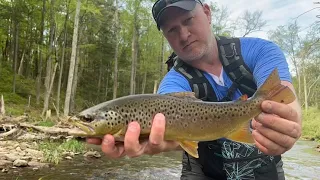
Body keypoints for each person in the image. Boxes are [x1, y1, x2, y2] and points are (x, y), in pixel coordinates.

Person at [87, 0, 302, 179]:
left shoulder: (260, 50)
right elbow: (167, 134)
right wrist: (158, 143)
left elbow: (283, 96)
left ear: (207, 13)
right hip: (202, 172)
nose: (183, 34)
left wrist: (288, 123)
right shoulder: (173, 83)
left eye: (188, 20)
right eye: (172, 29)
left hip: (264, 168)